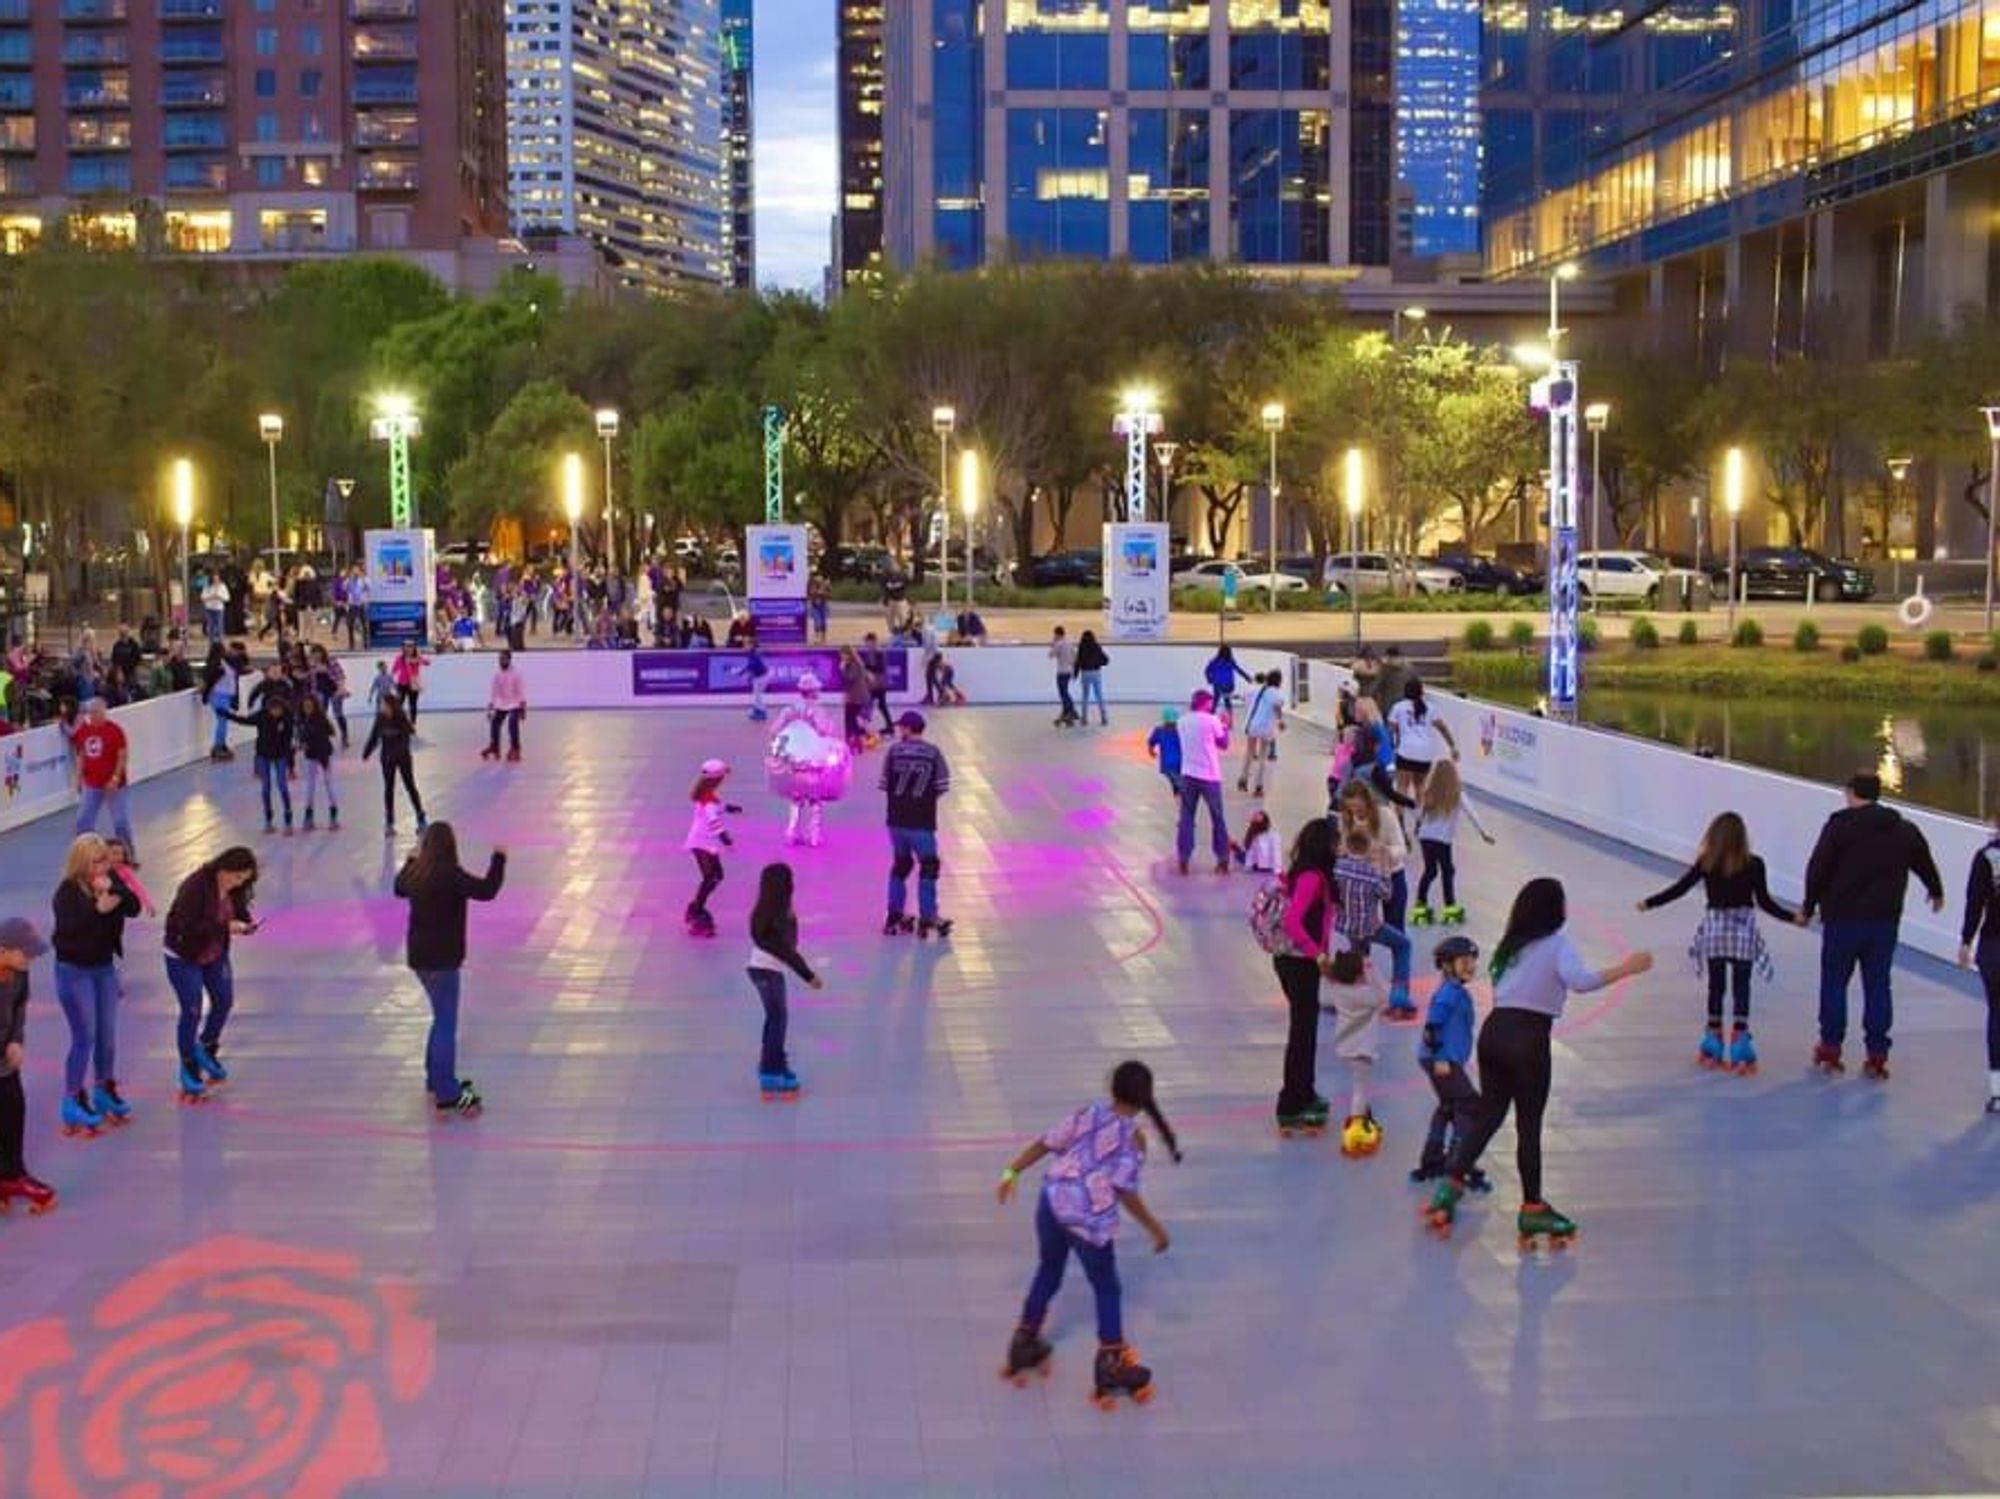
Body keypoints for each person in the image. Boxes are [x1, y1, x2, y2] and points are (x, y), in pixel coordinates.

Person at [1424, 878, 1653, 1245]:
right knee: (1529, 1125)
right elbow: (1581, 982)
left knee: (1489, 1115)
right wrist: (1627, 967)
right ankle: (1532, 1209)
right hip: (1528, 1039)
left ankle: (1450, 1186)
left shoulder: (1509, 949)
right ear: (1554, 911)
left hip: (1494, 1033)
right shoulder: (1556, 945)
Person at [996, 1060, 1178, 1406]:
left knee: (1048, 1270)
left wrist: (1011, 1172)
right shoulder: (1134, 1138)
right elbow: (1124, 1190)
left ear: (1113, 1088)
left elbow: (1046, 1143)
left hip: (1051, 1204)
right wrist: (1155, 1229)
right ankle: (1110, 1362)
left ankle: (1024, 1341)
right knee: (1107, 1287)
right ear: (1145, 1099)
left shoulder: (1087, 1114)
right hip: (1087, 1219)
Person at [1800, 772, 1943, 1079]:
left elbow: (1818, 868)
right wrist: (1936, 889)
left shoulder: (1839, 827)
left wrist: (1808, 906)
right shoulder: (1904, 829)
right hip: (1884, 921)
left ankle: (1830, 1047)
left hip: (1842, 919)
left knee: (1835, 982)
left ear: (1851, 792)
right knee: (1878, 985)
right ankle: (1877, 1054)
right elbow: (1923, 861)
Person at [1637, 810, 1795, 1076]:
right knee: (1742, 986)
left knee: (1717, 985)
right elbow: (1765, 902)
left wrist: (1649, 902)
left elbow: (1681, 888)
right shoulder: (1754, 864)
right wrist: (1794, 917)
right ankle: (1740, 1043)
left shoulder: (1707, 862)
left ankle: (1713, 1039)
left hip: (1716, 930)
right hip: (1743, 931)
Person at [394, 823, 506, 1117]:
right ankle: (448, 1092)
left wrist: (410, 858)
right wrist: (499, 858)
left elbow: (398, 886)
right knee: (446, 1023)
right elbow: (487, 890)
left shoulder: (417, 873)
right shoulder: (451, 875)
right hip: (443, 960)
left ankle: (435, 1079)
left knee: (439, 1018)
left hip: (419, 959)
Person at [50, 834, 141, 1134]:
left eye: (105, 859)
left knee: (107, 1034)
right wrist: (97, 910)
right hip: (74, 971)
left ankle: (105, 1087)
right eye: (97, 861)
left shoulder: (110, 879)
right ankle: (73, 1098)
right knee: (85, 1035)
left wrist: (114, 887)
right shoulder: (67, 892)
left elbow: (133, 906)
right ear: (81, 863)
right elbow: (67, 934)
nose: (104, 865)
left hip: (103, 968)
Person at [162, 847, 259, 1100]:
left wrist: (246, 923)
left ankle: (206, 1046)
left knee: (224, 1000)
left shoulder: (235, 889)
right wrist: (226, 927)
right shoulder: (195, 886)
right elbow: (189, 925)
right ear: (223, 868)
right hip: (184, 955)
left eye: (244, 879)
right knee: (191, 1009)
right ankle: (188, 1066)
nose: (239, 883)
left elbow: (238, 910)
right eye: (236, 877)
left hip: (214, 954)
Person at [1270, 817, 1338, 1134]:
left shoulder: (1307, 873)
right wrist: (1318, 953)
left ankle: (1304, 1093)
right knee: (1302, 1032)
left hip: (1295, 961)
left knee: (1306, 1030)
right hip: (1298, 963)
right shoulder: (1311, 877)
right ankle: (1291, 1102)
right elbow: (1294, 921)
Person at [1412, 935, 1489, 1190]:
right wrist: (1442, 1058)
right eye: (1464, 961)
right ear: (1447, 966)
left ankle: (1433, 1157)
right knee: (1470, 1105)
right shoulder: (1450, 993)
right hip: (1442, 1060)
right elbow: (1432, 1027)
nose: (1470, 966)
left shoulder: (1454, 990)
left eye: (1472, 961)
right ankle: (1459, 1163)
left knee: (1448, 1106)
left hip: (1439, 1059)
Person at [747, 862, 824, 1099]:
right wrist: (808, 975)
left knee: (775, 1019)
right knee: (777, 1018)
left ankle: (774, 1064)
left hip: (764, 970)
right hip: (767, 970)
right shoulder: (777, 914)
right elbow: (786, 951)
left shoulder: (769, 909)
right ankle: (771, 1071)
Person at [1337, 782, 1414, 1015]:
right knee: (1360, 941)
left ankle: (1400, 993)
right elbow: (1344, 846)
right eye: (1351, 809)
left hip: (1390, 875)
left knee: (1396, 931)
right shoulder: (1346, 820)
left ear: (1368, 801)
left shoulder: (1386, 815)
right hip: (1364, 881)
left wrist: (1383, 853)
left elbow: (1402, 848)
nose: (1356, 813)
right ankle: (1363, 993)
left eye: (1359, 808)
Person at [0, 916, 57, 1215]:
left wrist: (16, 1041)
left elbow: (19, 1007)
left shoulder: (19, 972)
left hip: (5, 1060)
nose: (30, 960)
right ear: (4, 949)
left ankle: (11, 1173)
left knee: (13, 1111)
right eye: (26, 953)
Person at [881, 710, 951, 937]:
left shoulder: (893, 752)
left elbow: (885, 784)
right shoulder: (933, 753)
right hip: (921, 822)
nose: (900, 730)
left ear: (910, 729)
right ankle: (928, 916)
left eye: (902, 727)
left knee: (901, 866)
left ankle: (894, 914)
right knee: (928, 867)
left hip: (896, 821)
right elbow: (941, 786)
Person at [1955, 805, 2000, 1114]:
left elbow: (1975, 902)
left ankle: (1998, 1090)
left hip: (1995, 944)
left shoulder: (1987, 857)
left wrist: (1965, 940)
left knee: (1997, 1014)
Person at [1411, 759, 1493, 928]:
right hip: (1442, 840)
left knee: (1430, 871)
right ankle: (1450, 907)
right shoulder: (1457, 793)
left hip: (1426, 838)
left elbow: (1418, 812)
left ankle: (1420, 905)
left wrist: (1418, 826)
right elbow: (1471, 813)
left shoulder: (1429, 791)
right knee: (1447, 871)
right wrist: (1484, 833)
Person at [770, 672, 848, 847]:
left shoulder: (789, 710)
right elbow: (826, 732)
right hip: (814, 761)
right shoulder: (819, 711)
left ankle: (791, 832)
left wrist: (783, 752)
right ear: (813, 691)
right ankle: (814, 834)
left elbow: (775, 731)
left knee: (796, 797)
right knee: (815, 798)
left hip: (793, 762)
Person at [1173, 689, 1231, 876]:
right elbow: (1223, 744)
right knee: (1217, 818)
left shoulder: (1182, 721)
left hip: (1188, 774)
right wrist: (1225, 726)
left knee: (1187, 817)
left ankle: (1183, 857)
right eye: (1210, 702)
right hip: (1210, 776)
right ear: (1205, 703)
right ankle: (1222, 858)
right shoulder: (1211, 720)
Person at [72, 699, 137, 864]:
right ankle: (85, 857)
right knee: (83, 822)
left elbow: (122, 756)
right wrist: (79, 777)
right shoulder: (83, 732)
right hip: (92, 784)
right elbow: (81, 755)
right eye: (90, 713)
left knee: (121, 822)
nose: (92, 716)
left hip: (114, 786)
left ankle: (128, 855)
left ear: (103, 712)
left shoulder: (115, 731)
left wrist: (115, 778)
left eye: (95, 712)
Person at [224, 693, 297, 836]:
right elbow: (244, 721)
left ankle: (288, 820)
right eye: (273, 710)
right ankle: (268, 820)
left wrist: (291, 766)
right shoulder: (262, 716)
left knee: (282, 786)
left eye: (278, 711)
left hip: (280, 756)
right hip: (263, 755)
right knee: (266, 788)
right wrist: (228, 715)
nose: (276, 713)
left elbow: (289, 744)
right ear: (269, 709)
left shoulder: (288, 719)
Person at [685, 758, 740, 938]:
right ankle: (696, 909)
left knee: (716, 876)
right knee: (710, 877)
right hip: (701, 842)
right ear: (717, 779)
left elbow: (716, 808)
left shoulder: (707, 795)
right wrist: (727, 840)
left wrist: (729, 808)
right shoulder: (707, 799)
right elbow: (713, 821)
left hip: (707, 843)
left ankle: (696, 907)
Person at [362, 695, 426, 838]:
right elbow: (374, 736)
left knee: (410, 786)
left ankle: (421, 818)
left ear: (390, 705)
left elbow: (409, 733)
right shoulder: (380, 719)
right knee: (388, 788)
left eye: (383, 704)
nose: (381, 707)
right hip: (387, 759)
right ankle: (389, 822)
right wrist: (366, 752)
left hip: (403, 758)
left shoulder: (400, 717)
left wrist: (399, 748)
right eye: (381, 704)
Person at [1388, 679, 1458, 805]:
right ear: (1421, 692)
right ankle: (1420, 819)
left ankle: (1400, 820)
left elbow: (1391, 729)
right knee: (1420, 788)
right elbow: (1442, 728)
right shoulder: (1431, 708)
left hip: (1406, 751)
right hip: (1425, 753)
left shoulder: (1398, 707)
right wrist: (1452, 746)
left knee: (1402, 787)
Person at [1237, 670, 1285, 797]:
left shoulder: (1257, 689)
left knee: (1249, 752)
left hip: (1252, 724)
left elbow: (1244, 697)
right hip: (1265, 727)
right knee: (1263, 755)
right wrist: (1280, 721)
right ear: (1279, 681)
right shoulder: (1277, 694)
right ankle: (1258, 786)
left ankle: (1243, 777)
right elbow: (1277, 708)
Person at [296, 695, 339, 832]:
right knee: (310, 787)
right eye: (305, 706)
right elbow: (302, 738)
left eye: (310, 706)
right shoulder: (302, 720)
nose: (307, 709)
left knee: (329, 784)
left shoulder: (320, 719)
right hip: (311, 756)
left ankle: (333, 816)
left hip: (324, 754)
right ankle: (309, 816)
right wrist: (302, 744)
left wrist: (323, 759)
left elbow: (329, 733)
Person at [483, 649, 527, 763]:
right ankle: (495, 746)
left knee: (512, 723)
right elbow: (494, 692)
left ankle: (515, 748)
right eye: (499, 659)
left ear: (509, 660)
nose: (501, 661)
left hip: (515, 704)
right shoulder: (497, 674)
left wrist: (523, 708)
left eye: (503, 659)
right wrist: (490, 706)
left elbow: (520, 691)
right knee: (495, 723)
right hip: (502, 704)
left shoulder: (517, 674)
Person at [859, 632, 894, 734]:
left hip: (878, 684)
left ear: (873, 641)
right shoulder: (872, 653)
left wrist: (868, 669)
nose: (866, 644)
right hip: (876, 683)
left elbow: (879, 668)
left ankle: (864, 727)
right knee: (880, 705)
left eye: (868, 642)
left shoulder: (878, 653)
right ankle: (889, 727)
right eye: (866, 642)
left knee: (869, 704)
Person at [839, 645, 871, 751]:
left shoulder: (854, 665)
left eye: (843, 654)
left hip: (856, 696)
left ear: (848, 654)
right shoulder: (855, 664)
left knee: (850, 719)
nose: (842, 657)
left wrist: (842, 669)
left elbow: (850, 678)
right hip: (854, 696)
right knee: (851, 719)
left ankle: (852, 741)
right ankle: (856, 741)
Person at [1074, 629, 1109, 727]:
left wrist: (1075, 673)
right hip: (1096, 672)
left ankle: (1084, 719)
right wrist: (1098, 663)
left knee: (1085, 696)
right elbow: (1106, 660)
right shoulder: (1096, 646)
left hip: (1085, 673)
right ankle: (1104, 718)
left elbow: (1078, 661)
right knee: (1099, 695)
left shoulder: (1082, 647)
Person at [1145, 707, 1182, 800]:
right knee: (1177, 784)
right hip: (1170, 765)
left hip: (1177, 764)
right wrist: (1151, 751)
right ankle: (1181, 801)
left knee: (1177, 786)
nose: (1172, 724)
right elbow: (1151, 742)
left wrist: (1151, 751)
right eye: (1170, 723)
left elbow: (1151, 742)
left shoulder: (1178, 730)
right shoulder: (1161, 730)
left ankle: (1180, 801)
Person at [1203, 644, 1251, 711]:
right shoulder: (1216, 661)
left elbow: (1238, 670)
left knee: (1224, 700)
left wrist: (1246, 677)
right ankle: (1213, 716)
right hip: (1219, 685)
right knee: (1218, 701)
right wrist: (1209, 679)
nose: (1226, 653)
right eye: (1224, 652)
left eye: (1227, 652)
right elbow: (1207, 671)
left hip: (1227, 685)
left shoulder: (1229, 661)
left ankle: (1227, 716)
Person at [391, 642, 428, 724]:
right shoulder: (400, 658)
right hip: (401, 684)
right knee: (399, 703)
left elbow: (427, 663)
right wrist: (392, 680)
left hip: (413, 684)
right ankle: (399, 721)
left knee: (413, 704)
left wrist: (418, 658)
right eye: (406, 647)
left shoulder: (417, 657)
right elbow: (394, 670)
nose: (408, 649)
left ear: (414, 648)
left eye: (411, 647)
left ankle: (413, 722)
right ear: (403, 648)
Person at [1049, 626, 1079, 728]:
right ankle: (1068, 713)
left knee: (1063, 693)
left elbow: (1051, 655)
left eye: (1055, 635)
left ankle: (1071, 711)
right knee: (1065, 692)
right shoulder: (1069, 643)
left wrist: (1053, 643)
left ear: (1057, 634)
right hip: (1069, 671)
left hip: (1061, 672)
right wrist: (1074, 671)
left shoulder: (1059, 644)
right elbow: (1075, 658)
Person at [1232, 809, 1279, 873]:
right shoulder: (1272, 834)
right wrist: (1277, 870)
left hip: (1258, 866)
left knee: (1236, 848)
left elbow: (1248, 853)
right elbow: (1276, 853)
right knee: (1237, 849)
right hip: (1263, 866)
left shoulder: (1254, 835)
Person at [201, 573, 229, 642]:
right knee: (211, 626)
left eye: (217, 579)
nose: (216, 581)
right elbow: (203, 597)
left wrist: (219, 597)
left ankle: (220, 641)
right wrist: (211, 597)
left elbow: (227, 598)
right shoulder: (207, 587)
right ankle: (211, 641)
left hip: (219, 609)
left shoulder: (223, 586)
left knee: (219, 626)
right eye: (214, 579)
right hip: (209, 609)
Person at [807, 575, 831, 643]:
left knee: (823, 622)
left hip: (823, 605)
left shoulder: (826, 585)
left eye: (820, 577)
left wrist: (824, 592)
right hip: (815, 607)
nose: (819, 578)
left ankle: (823, 637)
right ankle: (816, 637)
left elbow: (829, 595)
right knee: (817, 621)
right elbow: (810, 593)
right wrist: (818, 592)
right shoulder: (812, 585)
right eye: (817, 577)